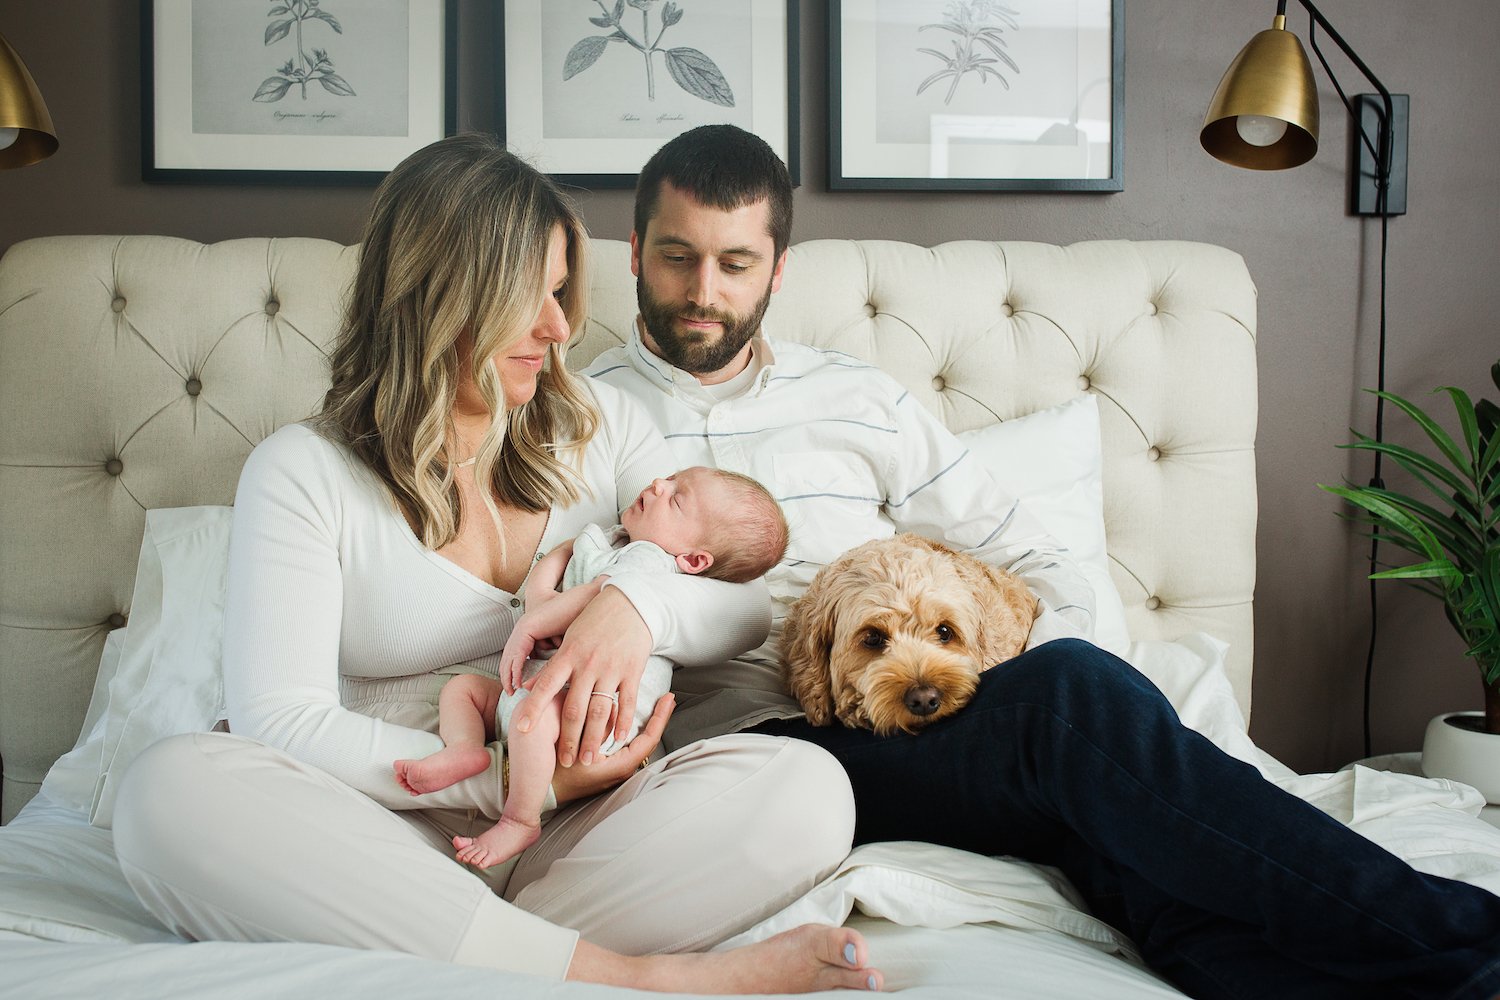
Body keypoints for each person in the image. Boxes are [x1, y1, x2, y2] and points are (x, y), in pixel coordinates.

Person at [582, 123, 1500, 1000]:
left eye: (735, 263)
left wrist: (1010, 687)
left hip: (931, 723)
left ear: (778, 270)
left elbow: (1034, 557)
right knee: (1072, 711)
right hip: (756, 764)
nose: (703, 289)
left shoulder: (860, 400)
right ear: (633, 252)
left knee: (1122, 845)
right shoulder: (582, 419)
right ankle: (1464, 939)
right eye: (676, 255)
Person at [110, 132, 884, 995]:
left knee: (809, 789)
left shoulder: (601, 426)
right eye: (533, 297)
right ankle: (629, 978)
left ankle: (459, 956)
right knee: (166, 795)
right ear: (439, 294)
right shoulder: (305, 471)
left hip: (579, 834)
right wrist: (509, 785)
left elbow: (743, 614)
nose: (560, 328)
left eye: (561, 292)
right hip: (378, 829)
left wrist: (634, 606)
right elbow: (280, 724)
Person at [394, 466, 789, 869]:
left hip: (586, 712)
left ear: (692, 559)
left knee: (530, 720)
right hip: (545, 688)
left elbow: (593, 598)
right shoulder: (620, 539)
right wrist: (539, 594)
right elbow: (563, 552)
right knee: (464, 690)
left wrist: (534, 621)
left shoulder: (649, 560)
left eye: (676, 499)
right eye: (668, 477)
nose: (657, 484)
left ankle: (520, 818)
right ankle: (467, 749)